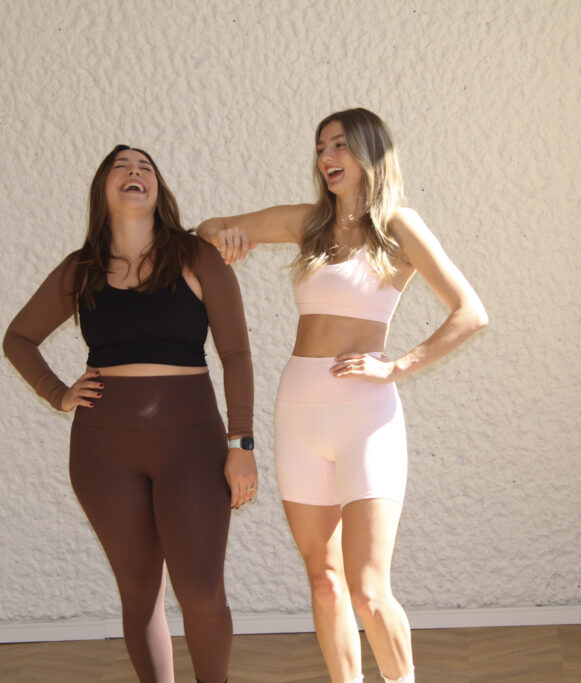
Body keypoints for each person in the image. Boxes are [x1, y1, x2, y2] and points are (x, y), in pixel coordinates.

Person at [197, 108, 487, 683]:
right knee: (324, 581)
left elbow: (470, 312)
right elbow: (210, 228)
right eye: (321, 148)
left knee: (368, 589)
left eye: (340, 146)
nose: (328, 157)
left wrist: (398, 366)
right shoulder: (308, 223)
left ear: (369, 152)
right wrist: (224, 235)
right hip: (299, 412)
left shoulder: (399, 226)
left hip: (365, 418)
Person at [4, 144, 257, 683]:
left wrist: (242, 445)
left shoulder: (197, 257)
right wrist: (57, 393)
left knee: (201, 590)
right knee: (140, 593)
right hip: (103, 453)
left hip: (192, 448)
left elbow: (236, 354)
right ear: (104, 188)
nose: (134, 172)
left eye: (145, 167)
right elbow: (19, 338)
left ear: (158, 190)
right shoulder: (82, 269)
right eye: (121, 166)